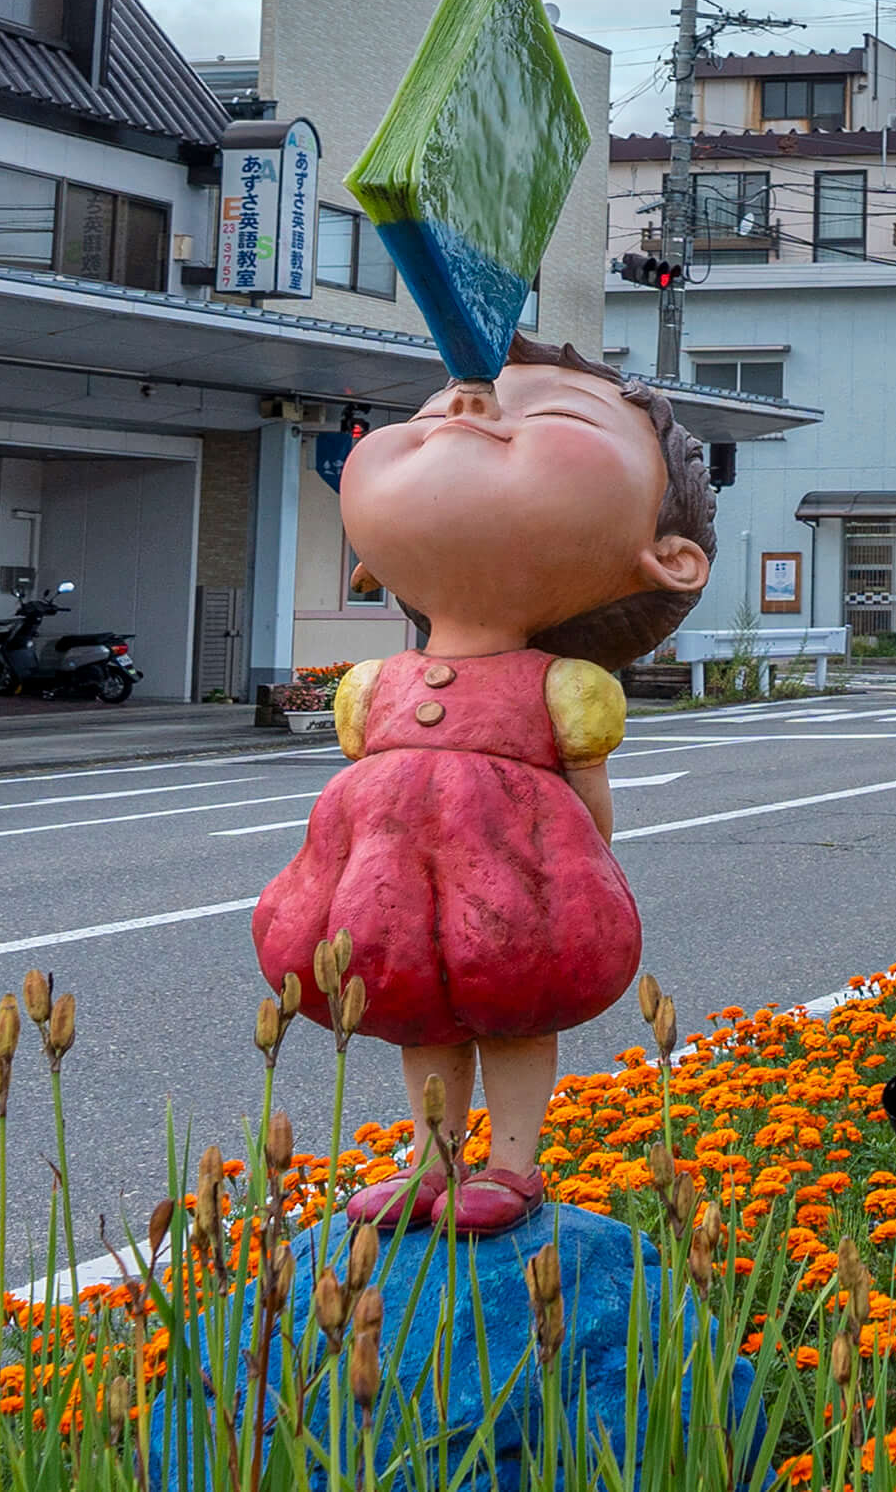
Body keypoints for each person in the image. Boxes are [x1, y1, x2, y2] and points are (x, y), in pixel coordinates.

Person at [252, 336, 712, 1233]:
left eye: (552, 415)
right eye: (431, 410)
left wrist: (583, 878)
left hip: (518, 888)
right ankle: (429, 1159)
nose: (465, 408)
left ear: (666, 557)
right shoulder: (371, 687)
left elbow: (589, 804)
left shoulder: (563, 688)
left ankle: (511, 1164)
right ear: (371, 559)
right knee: (414, 1012)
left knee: (512, 1012)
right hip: (387, 897)